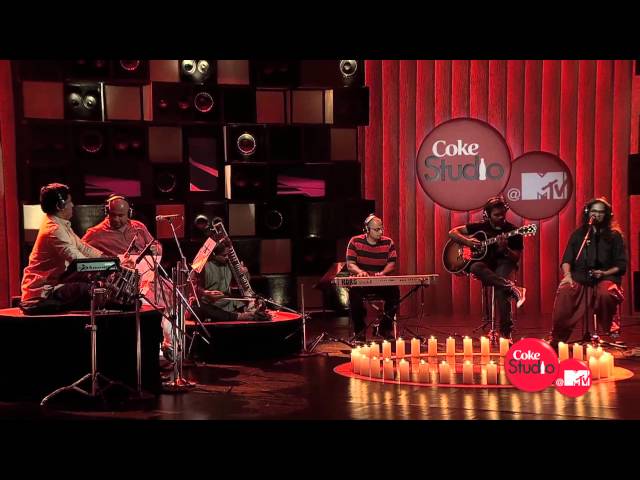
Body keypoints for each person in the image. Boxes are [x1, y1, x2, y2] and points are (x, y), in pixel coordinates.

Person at [82, 194, 174, 358]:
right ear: (107, 212)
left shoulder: (139, 227)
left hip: (147, 277)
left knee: (173, 293)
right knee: (150, 302)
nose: (117, 219)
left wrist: (156, 249)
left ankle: (169, 345)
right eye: (113, 215)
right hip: (123, 285)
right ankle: (154, 347)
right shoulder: (94, 234)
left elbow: (156, 245)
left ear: (129, 213)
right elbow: (82, 258)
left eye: (121, 215)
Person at [549, 197, 626, 348]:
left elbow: (620, 265)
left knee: (606, 293)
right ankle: (557, 337)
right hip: (580, 276)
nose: (596, 215)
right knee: (565, 290)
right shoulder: (579, 234)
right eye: (593, 211)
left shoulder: (614, 236)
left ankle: (611, 328)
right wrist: (568, 276)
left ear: (607, 215)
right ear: (587, 213)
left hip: (605, 276)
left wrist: (604, 273)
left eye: (601, 212)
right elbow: (567, 260)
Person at [448, 196, 526, 339]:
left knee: (501, 292)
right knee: (475, 267)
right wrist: (468, 242)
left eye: (502, 214)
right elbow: (452, 233)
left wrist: (505, 249)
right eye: (496, 215)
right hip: (487, 265)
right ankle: (513, 288)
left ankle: (505, 334)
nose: (501, 217)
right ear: (487, 215)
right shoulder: (480, 227)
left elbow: (515, 258)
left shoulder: (514, 231)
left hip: (505, 263)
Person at [20, 183, 104, 314]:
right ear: (60, 205)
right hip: (42, 293)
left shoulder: (60, 224)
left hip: (55, 285)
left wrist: (108, 259)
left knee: (95, 286)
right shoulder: (54, 229)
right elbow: (78, 261)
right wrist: (107, 266)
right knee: (92, 290)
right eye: (70, 202)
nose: (72, 205)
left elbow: (82, 247)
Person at [345, 214, 400, 341]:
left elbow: (392, 264)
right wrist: (360, 272)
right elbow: (350, 264)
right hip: (361, 284)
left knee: (394, 293)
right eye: (377, 229)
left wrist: (383, 273)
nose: (380, 232)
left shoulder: (388, 242)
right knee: (354, 297)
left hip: (380, 282)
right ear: (367, 230)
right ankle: (360, 331)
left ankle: (384, 328)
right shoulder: (355, 241)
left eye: (381, 228)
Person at [189, 240, 268, 322]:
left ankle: (248, 313)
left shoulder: (228, 264)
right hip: (209, 304)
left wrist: (244, 273)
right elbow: (193, 288)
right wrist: (206, 293)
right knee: (199, 308)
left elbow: (239, 284)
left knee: (256, 300)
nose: (227, 257)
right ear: (214, 254)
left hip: (227, 303)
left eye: (228, 255)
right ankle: (238, 316)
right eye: (224, 255)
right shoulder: (202, 265)